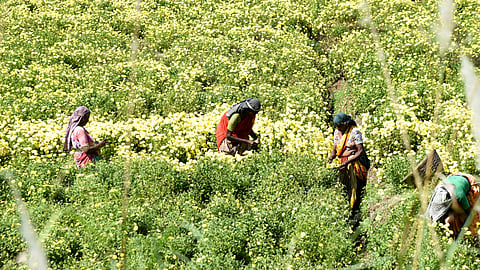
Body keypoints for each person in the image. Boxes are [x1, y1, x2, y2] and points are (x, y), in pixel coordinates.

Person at [328, 112, 370, 223]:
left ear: (346, 123)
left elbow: (360, 151)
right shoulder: (337, 132)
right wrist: (331, 158)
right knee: (340, 185)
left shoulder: (354, 132)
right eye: (336, 126)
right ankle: (344, 206)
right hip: (341, 161)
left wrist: (347, 162)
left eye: (339, 126)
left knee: (353, 183)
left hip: (354, 162)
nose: (338, 128)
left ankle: (355, 208)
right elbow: (335, 147)